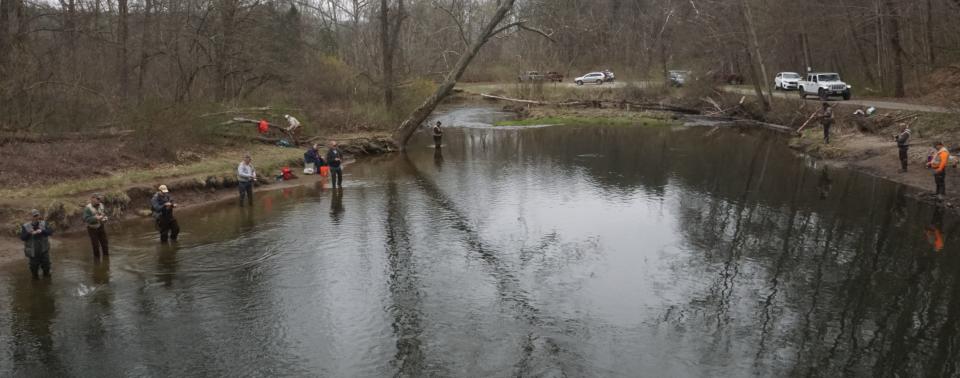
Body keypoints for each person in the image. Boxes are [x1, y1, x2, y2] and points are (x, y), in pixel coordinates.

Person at [20, 209, 53, 279]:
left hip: (44, 250)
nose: (36, 217)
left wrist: (42, 231)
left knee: (47, 269)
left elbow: (50, 232)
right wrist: (29, 233)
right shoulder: (25, 226)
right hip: (33, 252)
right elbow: (22, 238)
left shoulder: (44, 223)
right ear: (31, 217)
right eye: (34, 216)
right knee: (34, 272)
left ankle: (46, 284)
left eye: (37, 215)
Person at [83, 193, 109, 258]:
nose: (99, 200)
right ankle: (97, 261)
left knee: (105, 244)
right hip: (92, 229)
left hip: (101, 227)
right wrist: (95, 218)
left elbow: (104, 213)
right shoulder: (87, 208)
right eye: (98, 199)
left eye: (100, 199)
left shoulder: (101, 205)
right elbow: (86, 219)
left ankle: (106, 259)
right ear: (92, 199)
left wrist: (105, 218)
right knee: (96, 246)